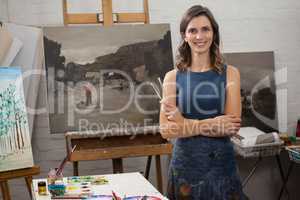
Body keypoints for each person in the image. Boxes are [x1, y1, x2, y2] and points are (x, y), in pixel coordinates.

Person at [159, 5, 246, 200]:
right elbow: (166, 130)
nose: (200, 36)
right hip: (184, 167)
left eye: (205, 29)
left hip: (221, 167)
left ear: (214, 33)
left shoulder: (230, 73)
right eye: (193, 30)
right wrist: (212, 124)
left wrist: (183, 123)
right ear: (184, 35)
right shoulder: (171, 77)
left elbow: (231, 127)